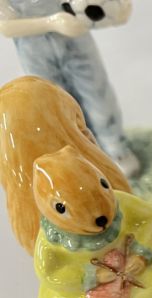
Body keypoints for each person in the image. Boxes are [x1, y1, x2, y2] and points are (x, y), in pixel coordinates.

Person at [0, 0, 139, 176]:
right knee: (58, 104)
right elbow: (6, 26)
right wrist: (50, 23)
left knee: (97, 92)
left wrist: (114, 12)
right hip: (35, 51)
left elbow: (88, 6)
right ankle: (80, 153)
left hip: (76, 41)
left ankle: (115, 146)